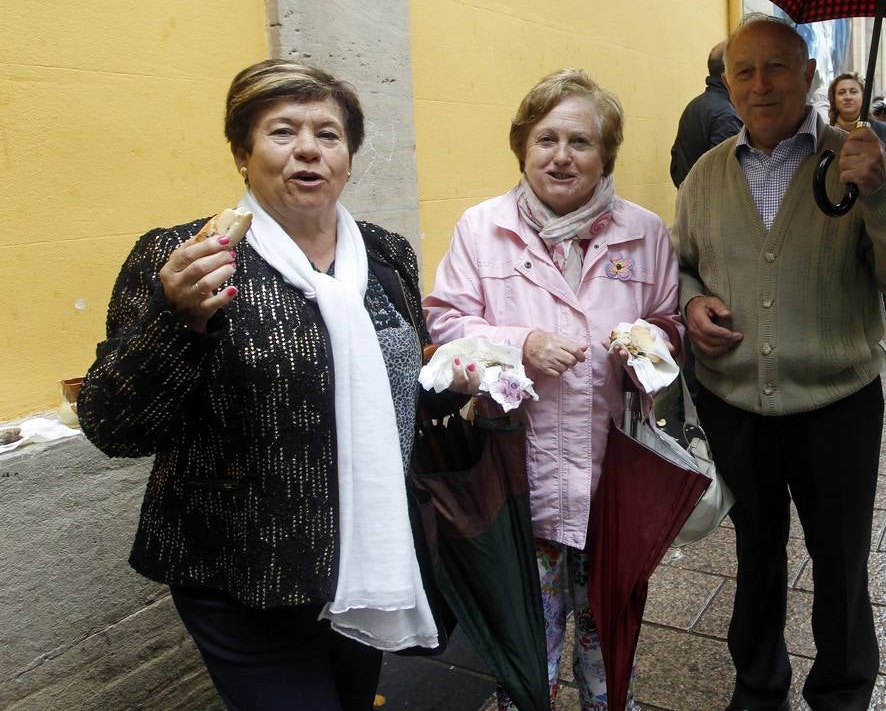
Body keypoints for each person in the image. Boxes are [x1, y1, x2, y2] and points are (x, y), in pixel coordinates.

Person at [79, 59, 439, 711]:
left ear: (349, 159)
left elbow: (400, 388)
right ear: (242, 154)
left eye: (328, 134)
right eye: (282, 131)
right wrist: (176, 319)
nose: (308, 148)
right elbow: (113, 425)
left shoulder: (387, 256)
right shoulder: (182, 256)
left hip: (364, 563)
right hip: (241, 579)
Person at [675, 13, 886, 710]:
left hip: (836, 404)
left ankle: (842, 693)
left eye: (777, 67)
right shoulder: (705, 175)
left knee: (840, 561)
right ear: (727, 83)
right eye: (744, 71)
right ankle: (758, 689)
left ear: (809, 75)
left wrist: (879, 189)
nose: (760, 84)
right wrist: (692, 305)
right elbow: (682, 265)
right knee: (756, 557)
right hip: (737, 403)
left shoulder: (858, 158)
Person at [423, 68, 681, 710]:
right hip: (519, 474)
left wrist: (644, 342)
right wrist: (520, 345)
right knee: (526, 641)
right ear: (522, 145)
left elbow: (670, 322)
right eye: (546, 139)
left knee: (607, 634)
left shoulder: (644, 231)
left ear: (606, 154)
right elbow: (446, 325)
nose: (561, 156)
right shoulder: (482, 227)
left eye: (581, 142)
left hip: (609, 473)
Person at [670, 40, 743, 188]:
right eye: (745, 70)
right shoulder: (726, 115)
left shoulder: (693, 106)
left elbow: (676, 162)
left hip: (691, 200)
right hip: (714, 206)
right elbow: (726, 175)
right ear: (729, 74)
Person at [827, 71, 886, 169]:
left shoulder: (883, 131)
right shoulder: (826, 134)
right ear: (834, 99)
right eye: (841, 92)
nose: (848, 97)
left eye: (853, 91)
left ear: (864, 97)